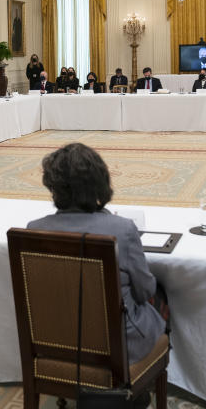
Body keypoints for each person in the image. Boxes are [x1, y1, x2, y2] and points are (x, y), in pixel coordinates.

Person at [26, 143, 166, 364]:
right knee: (161, 294)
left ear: (53, 187)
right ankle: (154, 376)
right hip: (116, 345)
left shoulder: (33, 229)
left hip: (57, 339)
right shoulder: (122, 229)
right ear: (100, 182)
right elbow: (144, 290)